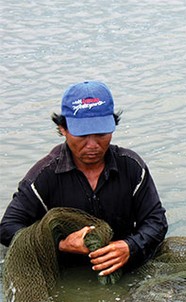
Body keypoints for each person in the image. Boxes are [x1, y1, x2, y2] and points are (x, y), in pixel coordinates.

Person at [0, 80, 167, 276]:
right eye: (82, 135)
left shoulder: (132, 167)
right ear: (63, 129)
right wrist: (61, 244)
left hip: (123, 267)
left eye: (101, 133)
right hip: (65, 271)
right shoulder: (43, 176)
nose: (92, 145)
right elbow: (8, 229)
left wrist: (129, 247)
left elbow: (156, 221)